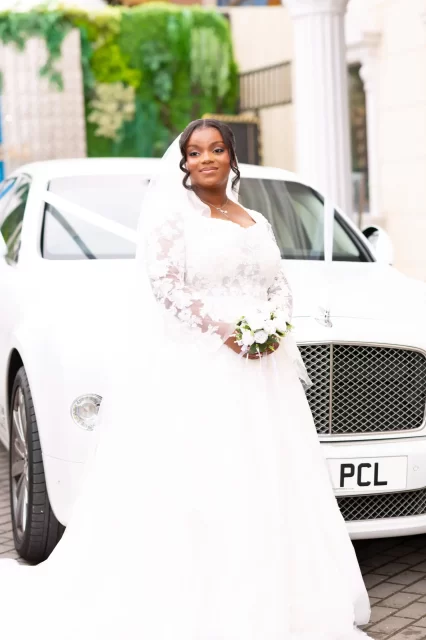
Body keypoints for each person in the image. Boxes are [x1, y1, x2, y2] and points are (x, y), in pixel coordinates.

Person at [0, 119, 371, 639]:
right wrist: (226, 330)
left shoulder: (254, 219)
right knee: (208, 479)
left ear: (231, 156)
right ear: (184, 165)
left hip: (264, 373)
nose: (206, 160)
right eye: (195, 153)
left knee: (268, 476)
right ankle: (202, 601)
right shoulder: (175, 222)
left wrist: (274, 323)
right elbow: (165, 286)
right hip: (204, 367)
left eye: (216, 149)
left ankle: (278, 598)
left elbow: (278, 281)